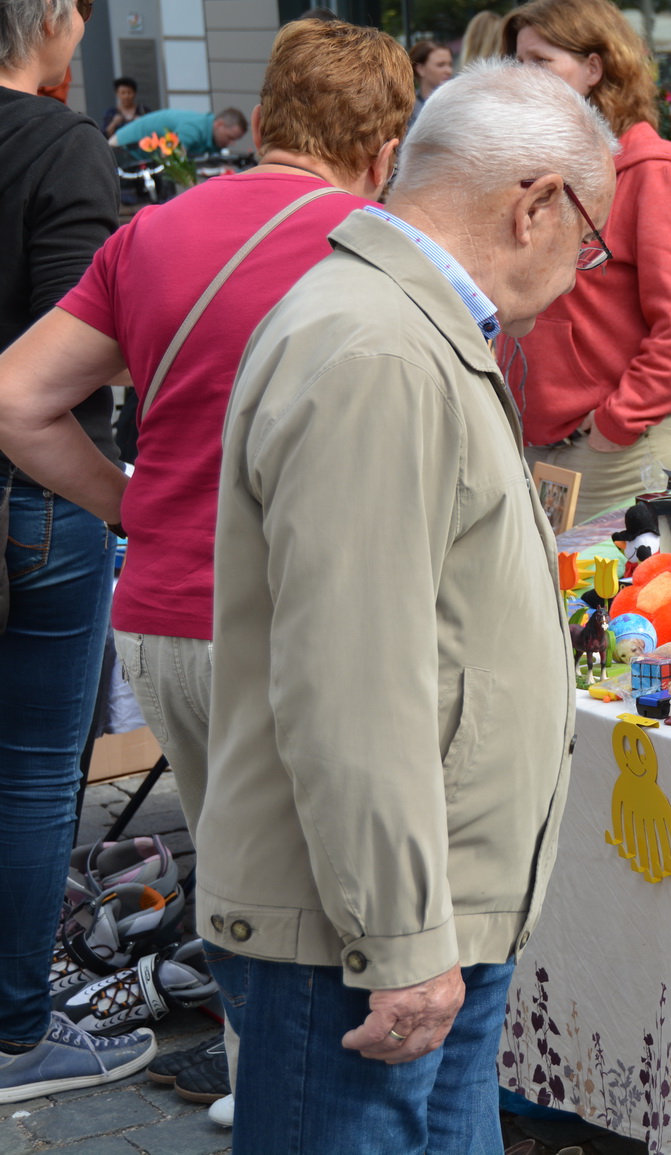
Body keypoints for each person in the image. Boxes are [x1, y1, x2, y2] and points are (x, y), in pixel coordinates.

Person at [0, 16, 413, 1119]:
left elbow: (17, 400)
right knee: (326, 893)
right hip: (291, 615)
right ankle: (292, 1099)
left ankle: (253, 1074)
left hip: (162, 609)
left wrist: (129, 502)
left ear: (266, 119)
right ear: (384, 146)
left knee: (232, 871)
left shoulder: (154, 232)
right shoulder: (380, 243)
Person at [195, 59, 611, 1150]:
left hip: (404, 925)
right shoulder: (380, 346)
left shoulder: (396, 328)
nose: (579, 275)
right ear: (536, 207)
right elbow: (354, 677)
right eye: (591, 240)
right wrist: (401, 933)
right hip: (359, 939)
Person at [0, 0, 156, 1103]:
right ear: (51, 19)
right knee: (32, 775)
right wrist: (123, 502)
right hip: (33, 491)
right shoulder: (62, 147)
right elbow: (69, 358)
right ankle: (16, 1032)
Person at [507, 0, 671, 519]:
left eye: (540, 62)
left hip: (620, 450)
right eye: (517, 62)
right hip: (542, 448)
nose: (522, 78)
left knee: (633, 602)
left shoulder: (651, 169)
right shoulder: (533, 169)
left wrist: (614, 424)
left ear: (594, 68)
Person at [112, 105, 246, 155]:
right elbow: (173, 158)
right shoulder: (194, 129)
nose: (231, 143)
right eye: (230, 137)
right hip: (123, 148)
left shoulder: (205, 131)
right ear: (219, 124)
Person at [409, 38, 452, 123]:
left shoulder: (457, 105)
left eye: (450, 64)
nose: (448, 71)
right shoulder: (408, 111)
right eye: (440, 65)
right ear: (420, 69)